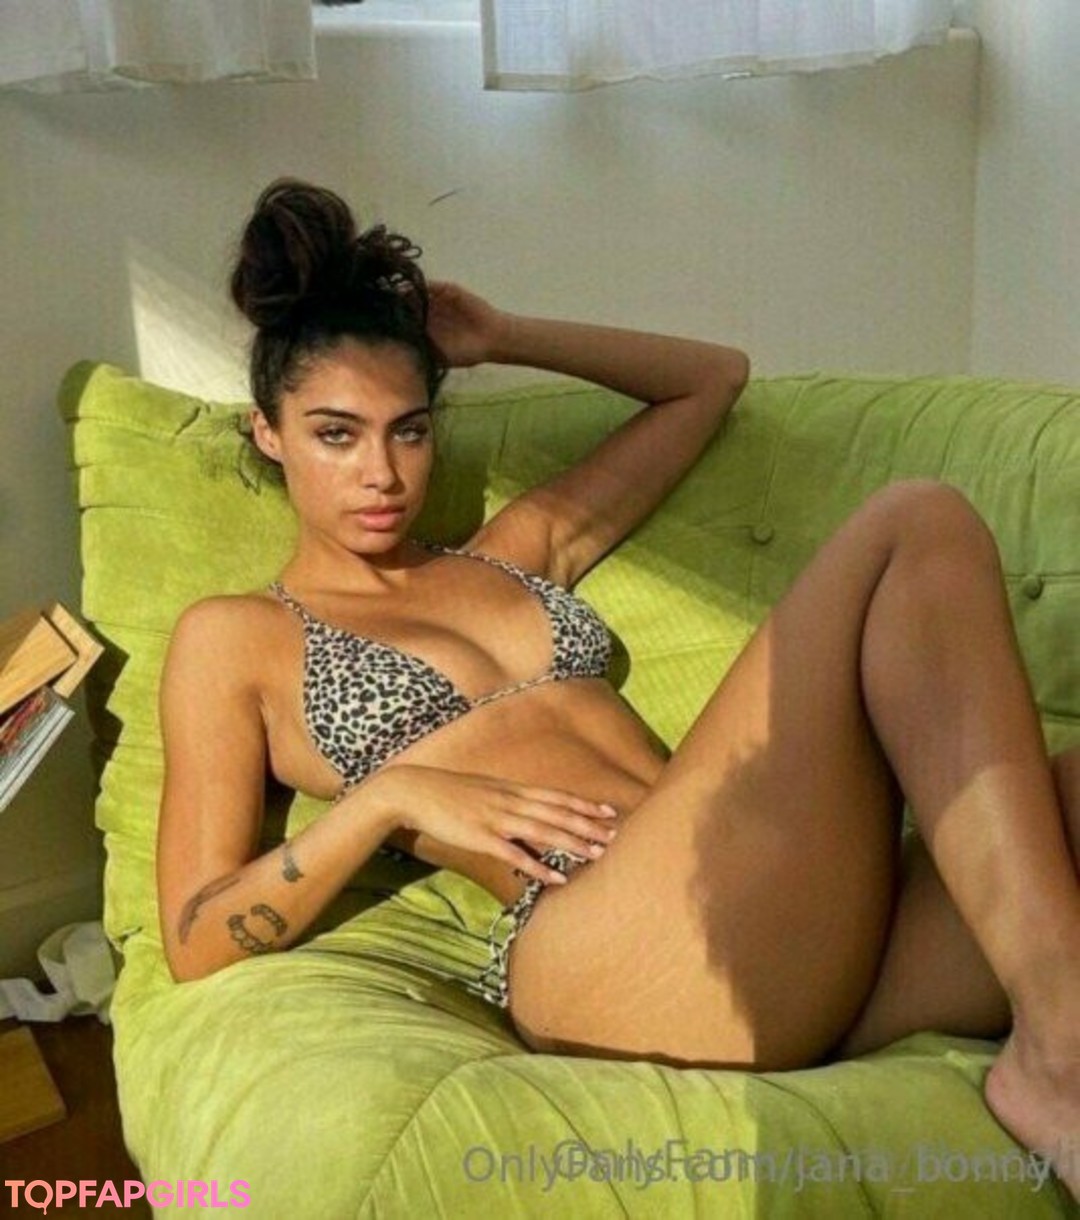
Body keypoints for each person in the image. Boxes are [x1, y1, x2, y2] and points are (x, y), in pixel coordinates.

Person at [156, 178, 1080, 1201]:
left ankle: (1050, 1028)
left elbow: (710, 380)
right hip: (606, 955)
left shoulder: (512, 556)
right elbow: (193, 937)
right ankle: (1062, 1053)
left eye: (408, 430)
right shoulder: (235, 636)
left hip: (776, 930)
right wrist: (389, 798)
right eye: (336, 433)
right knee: (917, 523)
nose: (381, 472)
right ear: (268, 432)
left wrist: (503, 335)